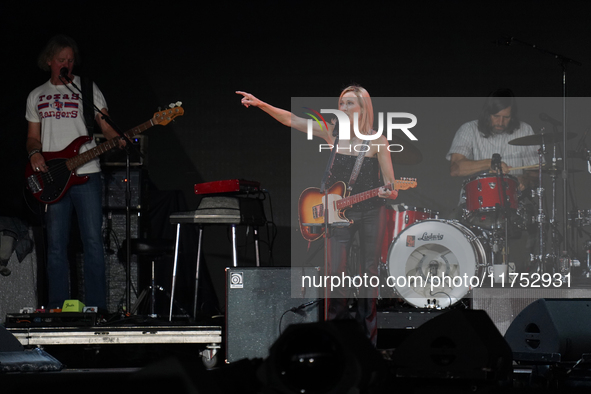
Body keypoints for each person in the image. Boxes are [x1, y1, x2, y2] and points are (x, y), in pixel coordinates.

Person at [237, 86, 398, 345]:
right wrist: (261, 104)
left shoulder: (377, 140)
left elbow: (391, 184)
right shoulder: (331, 133)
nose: (343, 108)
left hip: (370, 210)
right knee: (335, 273)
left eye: (349, 103)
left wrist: (390, 192)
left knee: (368, 273)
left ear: (363, 108)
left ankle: (368, 342)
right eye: (342, 103)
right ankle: (338, 339)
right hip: (336, 213)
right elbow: (291, 119)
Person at [25, 34, 122, 311]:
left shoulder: (87, 89)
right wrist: (35, 154)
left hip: (87, 174)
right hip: (53, 178)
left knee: (93, 241)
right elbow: (33, 137)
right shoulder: (37, 95)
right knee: (56, 245)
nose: (67, 64)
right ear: (49, 62)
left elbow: (104, 124)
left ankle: (96, 308)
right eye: (61, 60)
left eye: (70, 60)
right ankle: (57, 307)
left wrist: (119, 138)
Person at [446, 88, 539, 270]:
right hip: (473, 207)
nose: (500, 122)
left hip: (515, 205)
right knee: (450, 229)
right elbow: (456, 169)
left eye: (506, 117)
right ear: (487, 113)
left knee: (533, 225)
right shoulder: (469, 129)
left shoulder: (525, 130)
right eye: (496, 116)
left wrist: (525, 180)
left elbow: (536, 171)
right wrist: (489, 164)